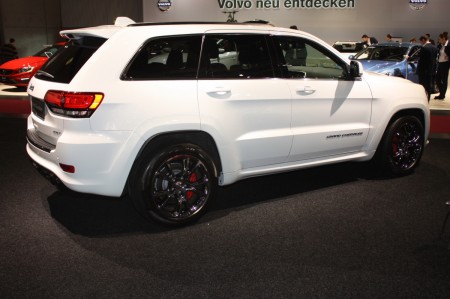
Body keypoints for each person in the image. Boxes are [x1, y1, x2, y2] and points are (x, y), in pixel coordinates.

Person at [417, 35, 439, 101]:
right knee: (429, 85)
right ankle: (428, 99)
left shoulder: (424, 48)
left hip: (423, 71)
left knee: (422, 86)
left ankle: (422, 99)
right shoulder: (435, 48)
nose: (421, 43)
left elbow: (421, 59)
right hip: (431, 70)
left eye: (421, 41)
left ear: (423, 40)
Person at [435, 32, 450, 100]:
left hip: (445, 64)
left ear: (443, 38)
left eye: (440, 39)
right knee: (437, 79)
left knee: (444, 80)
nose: (439, 40)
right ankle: (441, 93)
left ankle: (442, 94)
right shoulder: (441, 45)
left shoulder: (448, 44)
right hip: (440, 63)